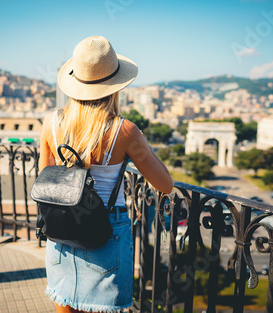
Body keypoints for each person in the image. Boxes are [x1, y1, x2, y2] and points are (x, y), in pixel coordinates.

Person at [38, 36, 173, 313]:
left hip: (61, 229)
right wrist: (143, 144)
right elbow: (165, 185)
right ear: (115, 87)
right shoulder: (125, 131)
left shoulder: (51, 122)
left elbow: (45, 177)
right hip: (105, 231)